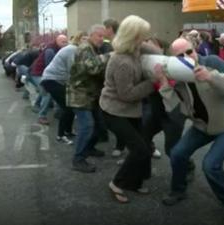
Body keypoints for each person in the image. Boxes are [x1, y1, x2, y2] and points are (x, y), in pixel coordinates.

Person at [154, 38, 224, 221]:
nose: (187, 57)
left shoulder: (212, 62)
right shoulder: (178, 75)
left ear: (195, 49)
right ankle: (178, 190)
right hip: (203, 125)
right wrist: (164, 84)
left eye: (189, 52)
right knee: (177, 154)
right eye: (180, 56)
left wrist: (212, 77)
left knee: (210, 165)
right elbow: (175, 107)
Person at [100, 15, 162, 203]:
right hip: (114, 111)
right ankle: (117, 183)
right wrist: (153, 81)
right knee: (140, 150)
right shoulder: (122, 61)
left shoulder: (135, 49)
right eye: (143, 35)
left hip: (130, 110)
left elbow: (156, 51)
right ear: (133, 36)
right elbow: (126, 94)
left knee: (143, 146)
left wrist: (164, 54)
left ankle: (135, 182)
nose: (145, 38)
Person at [67, 24, 110, 173]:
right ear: (92, 35)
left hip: (89, 95)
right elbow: (92, 68)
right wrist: (108, 56)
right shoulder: (85, 48)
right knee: (87, 126)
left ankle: (89, 148)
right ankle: (78, 159)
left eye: (103, 37)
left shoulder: (92, 48)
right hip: (80, 95)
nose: (102, 40)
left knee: (98, 124)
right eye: (100, 36)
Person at [41, 32, 88, 145]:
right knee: (67, 107)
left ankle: (68, 131)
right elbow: (72, 70)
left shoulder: (77, 50)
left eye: (87, 40)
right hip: (51, 80)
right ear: (78, 39)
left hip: (57, 80)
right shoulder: (72, 49)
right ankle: (60, 135)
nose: (86, 42)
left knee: (70, 106)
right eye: (83, 39)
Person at [30, 34, 68, 125]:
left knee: (45, 89)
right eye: (63, 42)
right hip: (38, 73)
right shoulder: (50, 50)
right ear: (57, 41)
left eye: (66, 42)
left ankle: (37, 105)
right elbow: (49, 66)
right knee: (48, 92)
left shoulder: (59, 50)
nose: (65, 44)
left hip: (42, 73)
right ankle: (41, 116)